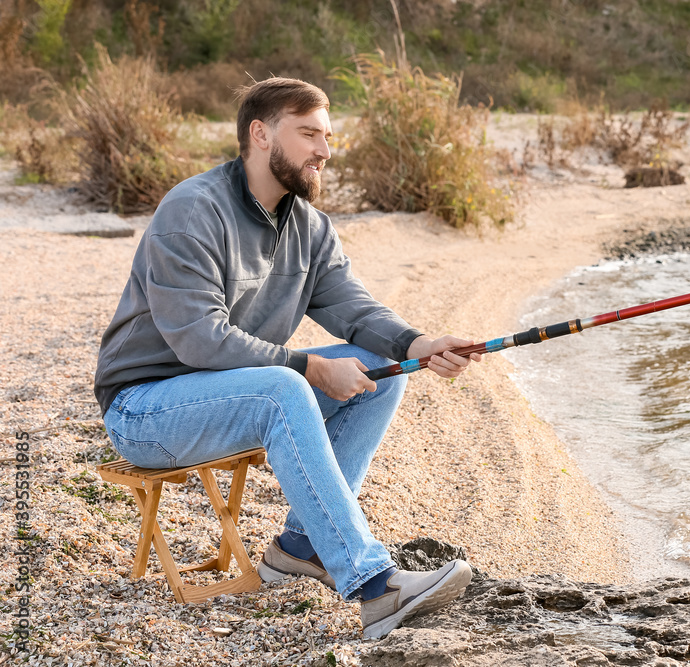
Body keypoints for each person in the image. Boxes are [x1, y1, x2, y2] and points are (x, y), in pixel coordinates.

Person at [93, 77, 479, 640]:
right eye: (309, 135)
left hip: (232, 394)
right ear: (261, 134)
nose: (324, 150)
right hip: (146, 409)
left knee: (376, 366)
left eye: (326, 136)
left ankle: (301, 545)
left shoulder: (309, 226)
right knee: (285, 386)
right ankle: (375, 587)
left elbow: (351, 306)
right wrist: (311, 367)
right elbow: (200, 340)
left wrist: (417, 345)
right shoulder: (193, 210)